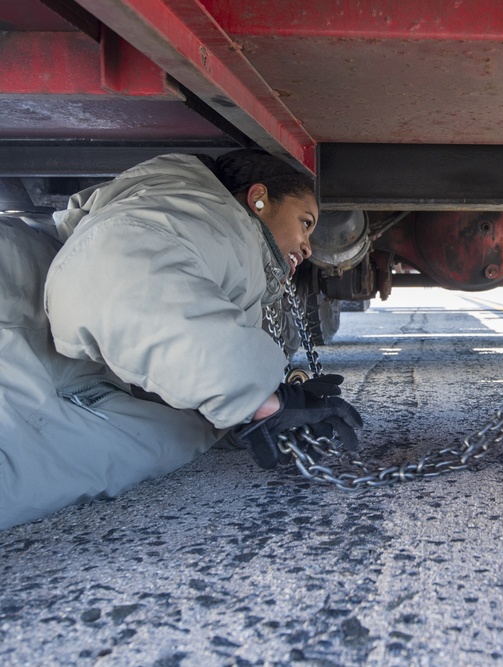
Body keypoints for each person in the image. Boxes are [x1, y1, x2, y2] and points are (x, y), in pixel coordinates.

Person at [1, 149, 361, 530]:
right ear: (258, 199)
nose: (308, 246)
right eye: (305, 223)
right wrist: (256, 399)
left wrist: (249, 416)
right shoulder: (222, 225)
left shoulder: (219, 248)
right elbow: (115, 275)